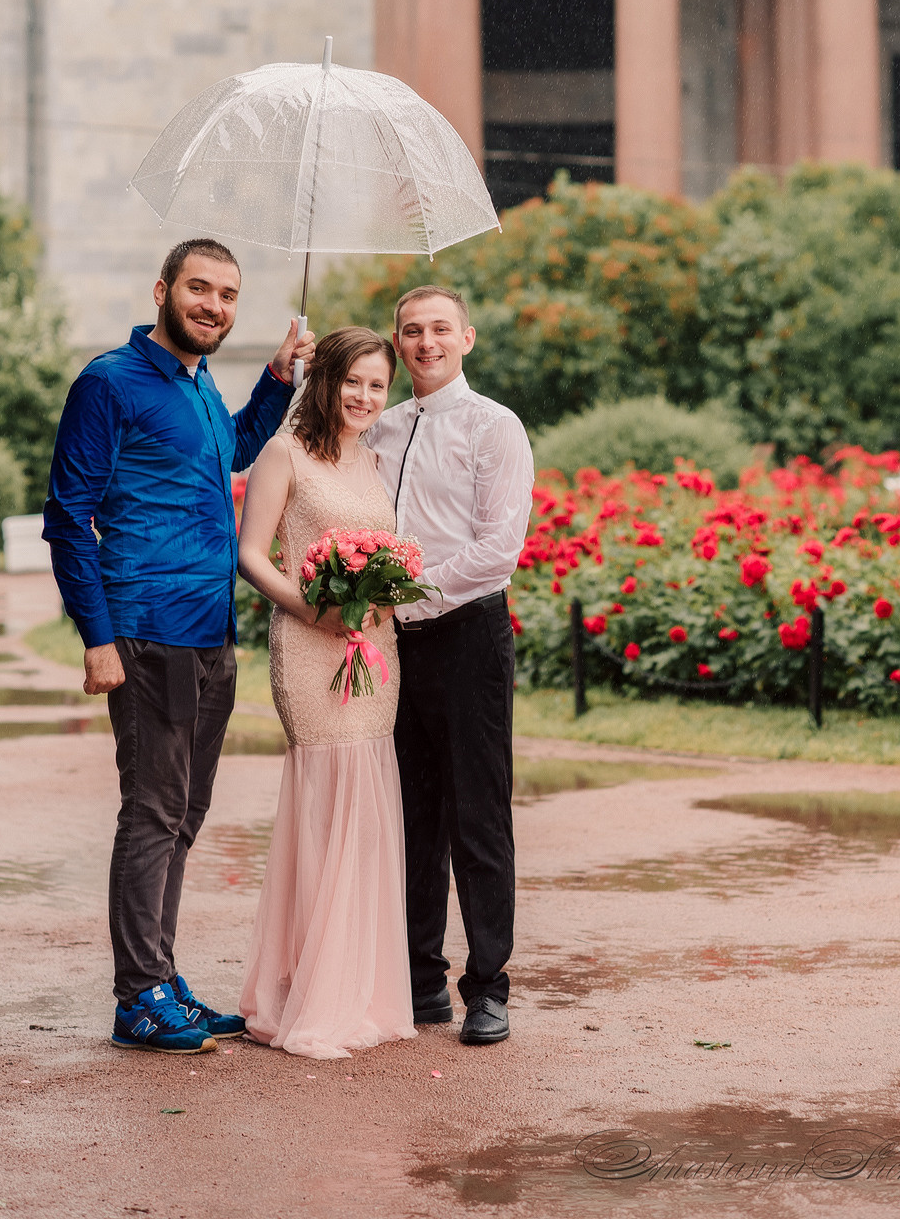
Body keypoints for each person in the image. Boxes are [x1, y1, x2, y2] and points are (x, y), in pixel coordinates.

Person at [42, 237, 314, 1055]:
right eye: (200, 288)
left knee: (185, 813)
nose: (214, 306)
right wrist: (97, 639)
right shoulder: (108, 382)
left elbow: (231, 451)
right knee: (154, 809)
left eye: (228, 295)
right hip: (145, 626)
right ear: (163, 289)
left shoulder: (198, 385)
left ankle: (160, 976)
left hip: (209, 630)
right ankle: (138, 998)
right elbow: (67, 517)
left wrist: (275, 381)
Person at [236, 327, 416, 1060]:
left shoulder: (374, 460)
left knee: (367, 806)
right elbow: (250, 554)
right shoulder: (285, 452)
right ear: (326, 377)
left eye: (378, 385)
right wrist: (316, 609)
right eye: (354, 381)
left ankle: (363, 991)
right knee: (324, 801)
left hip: (375, 650)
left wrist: (380, 595)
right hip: (310, 646)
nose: (366, 397)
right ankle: (307, 992)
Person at [366, 287, 534, 1046]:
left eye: (439, 329)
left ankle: (488, 985)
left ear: (466, 336)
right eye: (410, 331)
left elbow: (501, 547)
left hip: (467, 634)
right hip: (393, 643)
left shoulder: (494, 426)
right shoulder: (379, 427)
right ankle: (420, 979)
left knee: (477, 813)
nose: (425, 342)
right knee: (412, 813)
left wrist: (413, 597)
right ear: (396, 344)